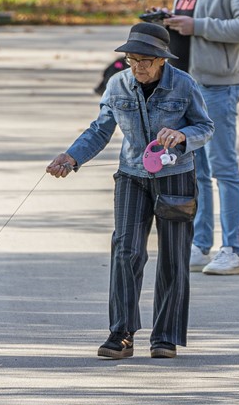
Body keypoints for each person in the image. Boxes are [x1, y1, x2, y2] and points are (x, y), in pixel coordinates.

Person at [46, 23, 213, 360]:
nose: (138, 67)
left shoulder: (184, 85)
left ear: (162, 61)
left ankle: (165, 336)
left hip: (176, 177)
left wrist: (182, 137)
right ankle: (121, 333)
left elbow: (205, 127)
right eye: (132, 59)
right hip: (132, 176)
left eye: (146, 61)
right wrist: (71, 157)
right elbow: (99, 129)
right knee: (126, 250)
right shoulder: (118, 85)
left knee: (174, 257)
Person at [157, 0, 239, 275]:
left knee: (223, 166)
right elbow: (187, 20)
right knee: (195, 168)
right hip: (189, 81)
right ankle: (201, 244)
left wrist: (196, 26)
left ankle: (231, 248)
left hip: (219, 82)